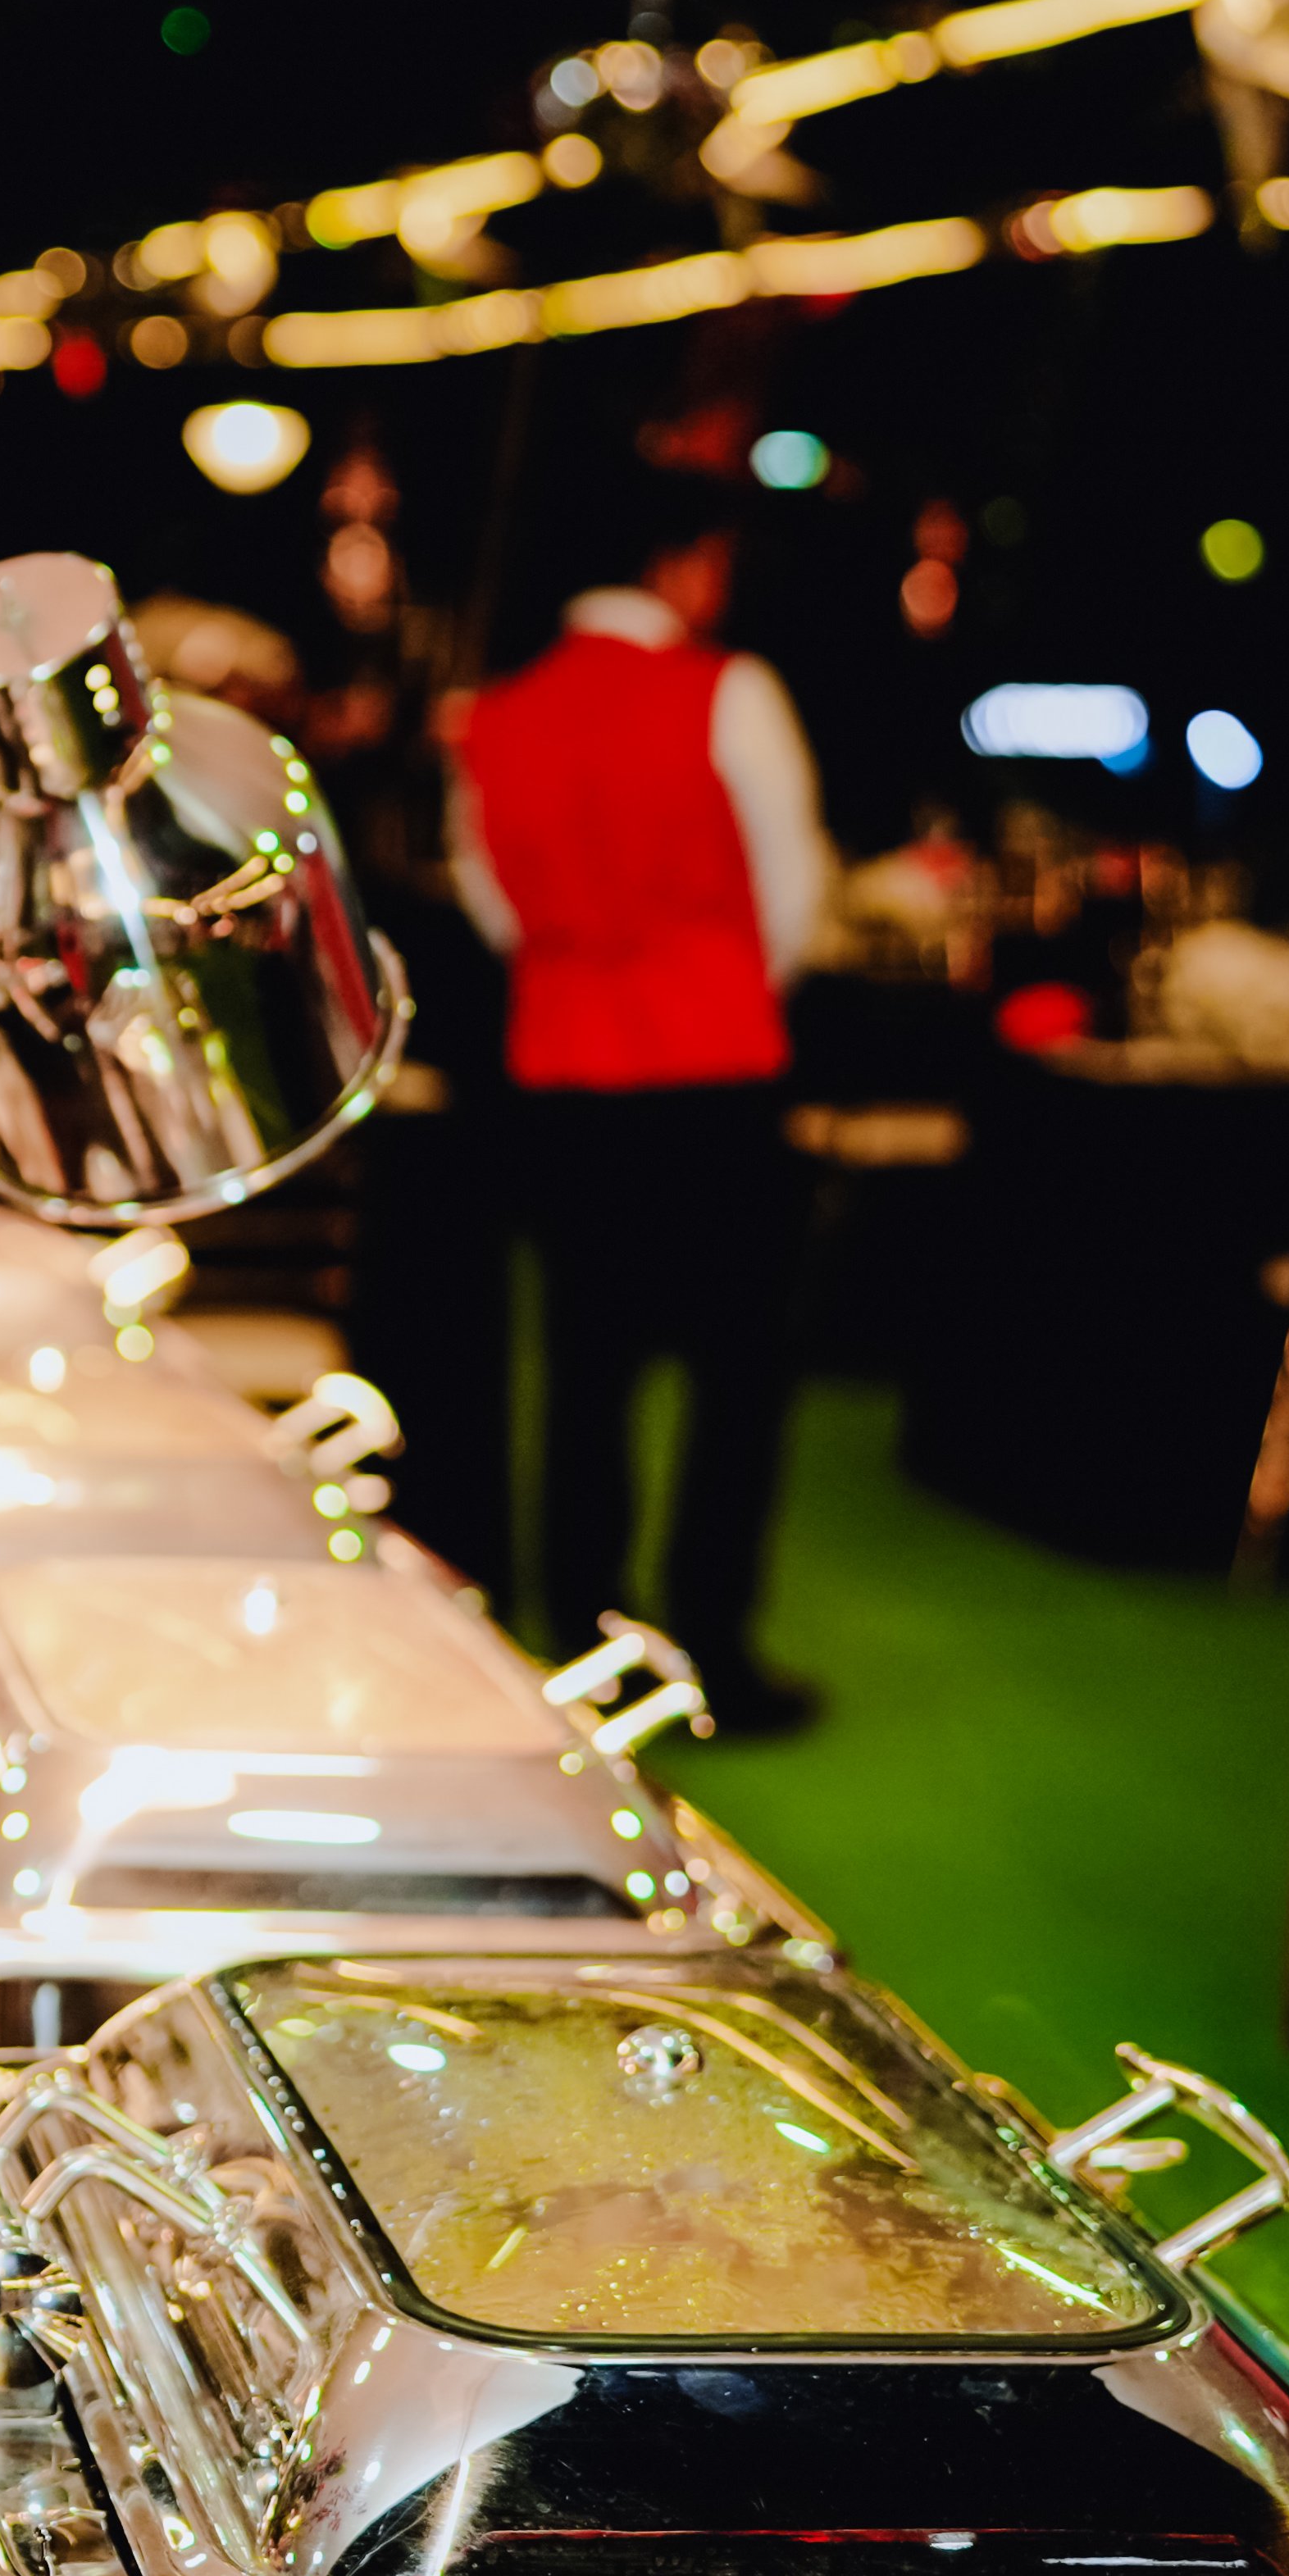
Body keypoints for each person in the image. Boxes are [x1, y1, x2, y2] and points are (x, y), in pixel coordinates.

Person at [446, 474, 839, 1734]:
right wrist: (711, 975)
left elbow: (491, 901)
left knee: (580, 1367)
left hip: (559, 1072)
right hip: (711, 1066)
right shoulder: (730, 690)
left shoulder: (495, 716)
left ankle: (584, 1632)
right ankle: (711, 1641)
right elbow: (791, 887)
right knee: (735, 1379)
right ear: (682, 564)